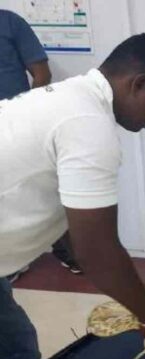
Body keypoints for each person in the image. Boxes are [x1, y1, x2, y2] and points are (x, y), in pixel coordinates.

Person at [0, 33, 145, 359]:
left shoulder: (74, 101)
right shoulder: (88, 125)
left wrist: (137, 290)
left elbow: (75, 232)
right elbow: (97, 249)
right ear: (139, 83)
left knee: (19, 352)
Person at [0, 9, 83, 279]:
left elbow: (41, 73)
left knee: (46, 188)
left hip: (19, 124)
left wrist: (28, 114)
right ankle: (10, 261)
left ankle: (76, 254)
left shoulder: (10, 22)